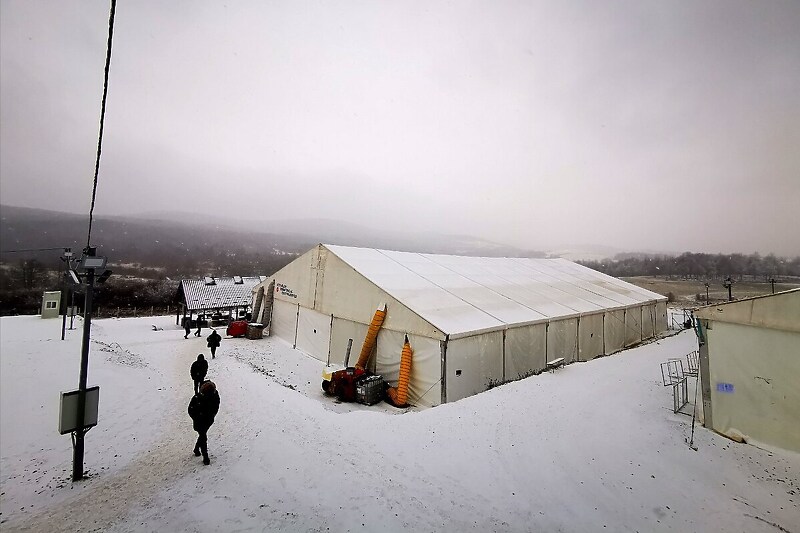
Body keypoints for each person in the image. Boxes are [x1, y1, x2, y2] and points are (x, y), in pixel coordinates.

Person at [188, 380, 220, 465]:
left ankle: (196, 449)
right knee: (203, 436)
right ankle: (205, 457)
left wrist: (211, 415)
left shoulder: (213, 396)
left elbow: (216, 406)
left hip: (208, 420)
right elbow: (191, 410)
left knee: (202, 435)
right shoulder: (198, 398)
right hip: (199, 421)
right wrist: (197, 417)